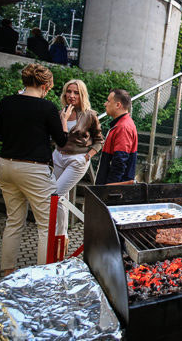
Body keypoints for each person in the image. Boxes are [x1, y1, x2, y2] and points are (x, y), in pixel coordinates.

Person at [0, 63, 72, 276]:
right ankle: (43, 275)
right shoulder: (47, 107)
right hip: (33, 169)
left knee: (13, 220)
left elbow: (1, 136)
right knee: (46, 226)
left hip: (5, 166)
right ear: (46, 85)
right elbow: (61, 141)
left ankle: (8, 270)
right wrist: (64, 122)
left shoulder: (7, 102)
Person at [53, 80, 104, 247]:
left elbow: (99, 141)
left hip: (77, 159)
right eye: (69, 91)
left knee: (56, 195)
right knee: (62, 197)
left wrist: (87, 156)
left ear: (82, 95)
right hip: (58, 156)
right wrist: (62, 119)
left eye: (75, 92)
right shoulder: (61, 112)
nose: (71, 96)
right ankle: (62, 235)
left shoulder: (89, 115)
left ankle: (58, 236)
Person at [95, 89, 138, 185]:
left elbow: (120, 160)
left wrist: (111, 187)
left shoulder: (123, 127)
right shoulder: (122, 124)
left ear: (118, 105)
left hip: (114, 188)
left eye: (108, 101)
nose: (105, 104)